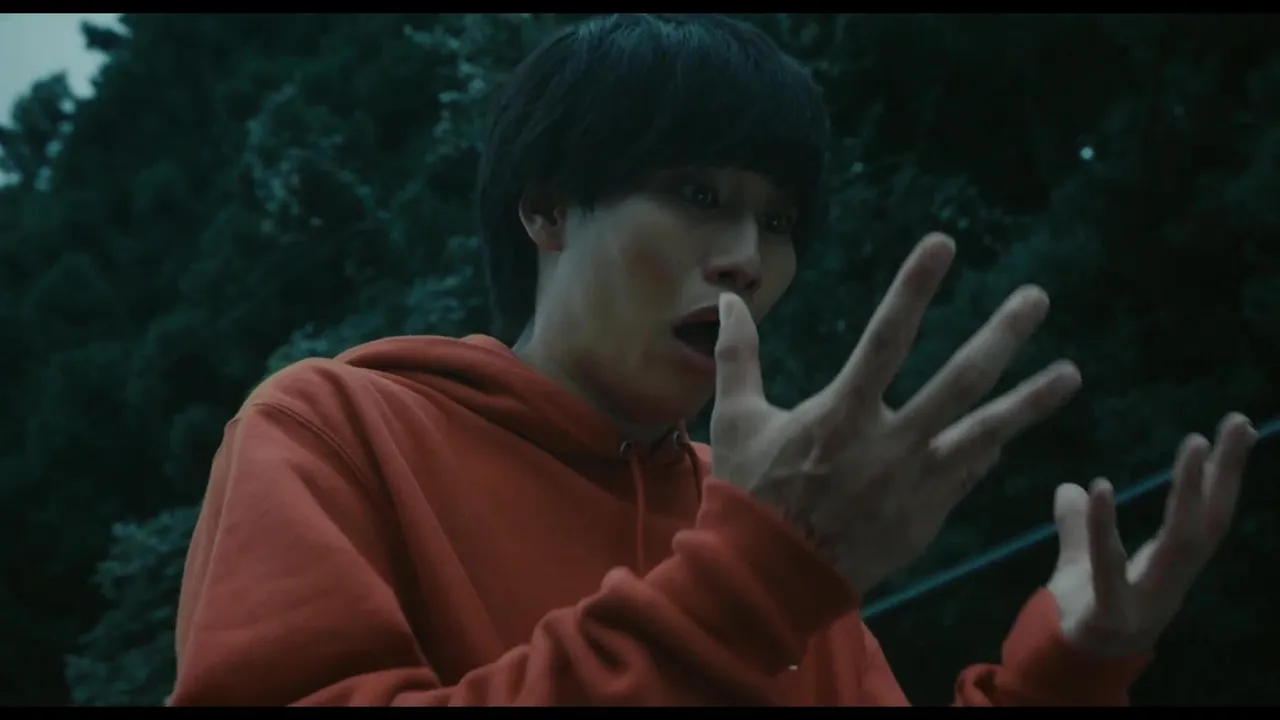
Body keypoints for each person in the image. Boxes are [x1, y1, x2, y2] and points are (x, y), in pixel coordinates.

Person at [169, 14, 1258, 706]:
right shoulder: (329, 428)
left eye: (778, 221)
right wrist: (745, 589)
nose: (747, 258)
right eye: (697, 195)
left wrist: (1067, 675)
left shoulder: (761, 509)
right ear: (546, 208)